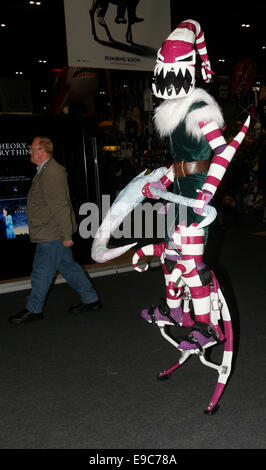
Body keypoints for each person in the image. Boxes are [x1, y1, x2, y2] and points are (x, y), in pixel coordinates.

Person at [9, 136, 101, 325]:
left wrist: (66, 235)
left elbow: (61, 206)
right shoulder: (45, 170)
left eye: (32, 149)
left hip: (52, 233)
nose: (30, 152)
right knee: (68, 266)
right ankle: (91, 299)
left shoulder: (52, 173)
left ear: (42, 151)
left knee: (40, 272)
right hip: (51, 230)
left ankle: (34, 309)